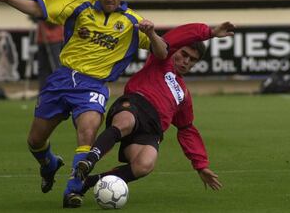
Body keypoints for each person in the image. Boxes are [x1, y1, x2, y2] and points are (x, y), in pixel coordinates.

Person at [0, 0, 168, 208]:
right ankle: (49, 164)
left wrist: (151, 34)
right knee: (35, 140)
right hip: (62, 80)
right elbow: (38, 9)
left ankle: (73, 190)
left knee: (88, 131)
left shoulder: (133, 22)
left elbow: (162, 53)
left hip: (94, 85)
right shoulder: (79, 4)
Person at [74, 21, 236, 201]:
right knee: (126, 122)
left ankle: (87, 182)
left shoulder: (184, 93)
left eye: (192, 60)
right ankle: (88, 161)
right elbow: (176, 36)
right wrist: (209, 32)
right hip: (135, 104)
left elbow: (186, 129)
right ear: (176, 50)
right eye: (184, 54)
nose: (186, 61)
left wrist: (201, 165)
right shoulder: (162, 59)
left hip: (152, 128)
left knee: (145, 165)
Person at [34, 0, 64, 90]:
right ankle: (42, 90)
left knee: (55, 66)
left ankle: (57, 89)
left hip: (54, 39)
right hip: (41, 38)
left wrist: (42, 15)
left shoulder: (56, 2)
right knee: (42, 68)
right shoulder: (40, 2)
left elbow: (54, 21)